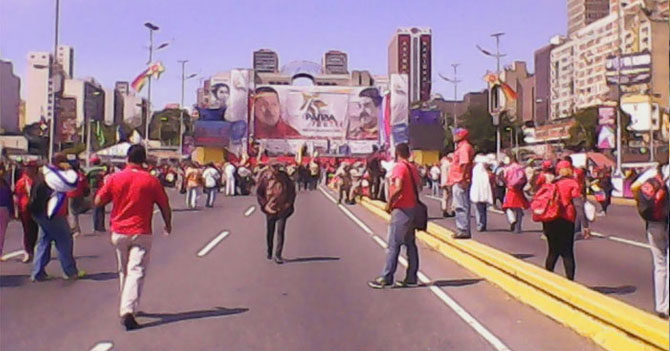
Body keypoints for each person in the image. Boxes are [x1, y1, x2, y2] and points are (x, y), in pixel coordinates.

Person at [94, 144, 172, 331]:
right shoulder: (151, 180)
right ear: (144, 160)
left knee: (124, 270)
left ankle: (126, 305)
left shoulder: (115, 178)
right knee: (136, 271)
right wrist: (168, 224)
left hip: (119, 231)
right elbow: (164, 205)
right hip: (141, 231)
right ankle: (128, 310)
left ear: (127, 158)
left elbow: (98, 201)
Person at [368, 143, 420, 288]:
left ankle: (387, 276)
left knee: (393, 244)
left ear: (397, 153)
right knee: (410, 244)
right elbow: (419, 185)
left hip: (401, 209)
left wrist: (389, 203)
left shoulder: (400, 167)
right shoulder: (412, 167)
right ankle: (411, 277)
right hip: (412, 208)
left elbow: (398, 187)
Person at [29, 154, 83, 281]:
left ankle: (37, 272)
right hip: (53, 215)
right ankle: (70, 271)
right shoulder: (55, 177)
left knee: (44, 241)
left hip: (40, 213)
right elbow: (73, 184)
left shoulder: (44, 174)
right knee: (64, 241)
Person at [539, 160, 590, 281]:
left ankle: (547, 277)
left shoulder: (553, 183)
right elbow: (578, 205)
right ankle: (569, 281)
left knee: (552, 251)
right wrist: (585, 225)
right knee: (567, 253)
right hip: (566, 220)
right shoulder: (573, 184)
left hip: (550, 220)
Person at [631, 162, 669, 319]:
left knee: (659, 265)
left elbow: (634, 187)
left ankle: (660, 305)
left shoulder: (655, 171)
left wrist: (648, 205)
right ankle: (667, 305)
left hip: (653, 223)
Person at [256, 161, 296, 264]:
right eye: (273, 167)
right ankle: (269, 250)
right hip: (270, 208)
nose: (276, 169)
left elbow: (292, 191)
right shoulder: (265, 178)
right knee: (270, 231)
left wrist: (289, 203)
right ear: (269, 167)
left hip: (282, 208)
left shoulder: (284, 177)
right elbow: (260, 193)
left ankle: (278, 255)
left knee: (280, 231)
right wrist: (264, 205)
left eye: (277, 167)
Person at [447, 129, 475, 239]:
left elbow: (465, 163)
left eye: (455, 134)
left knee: (461, 205)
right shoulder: (461, 147)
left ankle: (463, 229)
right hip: (457, 179)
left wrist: (463, 178)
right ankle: (462, 228)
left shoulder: (464, 148)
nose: (453, 136)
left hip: (460, 180)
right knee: (460, 204)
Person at [14, 161, 39, 263]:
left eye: (31, 168)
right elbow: (17, 196)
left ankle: (35, 250)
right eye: (27, 168)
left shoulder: (39, 180)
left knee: (36, 231)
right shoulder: (22, 182)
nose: (29, 170)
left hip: (37, 209)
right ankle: (28, 251)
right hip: (25, 209)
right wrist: (16, 210)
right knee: (27, 231)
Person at [502, 154, 529, 233]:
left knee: (507, 206)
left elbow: (504, 177)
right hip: (518, 189)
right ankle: (518, 226)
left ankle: (512, 220)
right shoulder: (520, 168)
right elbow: (524, 178)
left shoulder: (508, 168)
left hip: (510, 189)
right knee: (519, 208)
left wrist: (507, 183)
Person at [470, 155, 494, 232]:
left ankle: (481, 224)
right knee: (481, 209)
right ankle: (482, 224)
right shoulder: (481, 171)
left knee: (479, 209)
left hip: (479, 193)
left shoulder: (478, 170)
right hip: (481, 193)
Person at [66, 161, 90, 237]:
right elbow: (85, 185)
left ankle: (75, 229)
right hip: (79, 194)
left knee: (72, 213)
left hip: (70, 194)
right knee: (75, 212)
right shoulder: (81, 175)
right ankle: (76, 229)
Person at [87, 157, 107, 232]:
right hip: (102, 188)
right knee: (102, 208)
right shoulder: (103, 169)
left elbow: (86, 178)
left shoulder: (90, 170)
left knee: (95, 208)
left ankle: (96, 227)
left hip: (93, 189)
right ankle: (102, 226)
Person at [0, 168, 13, 261]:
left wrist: (11, 211)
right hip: (4, 209)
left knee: (1, 234)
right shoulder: (5, 184)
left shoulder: (5, 184)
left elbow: (10, 199)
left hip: (4, 209)